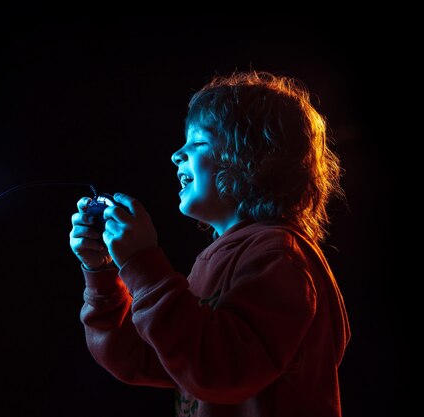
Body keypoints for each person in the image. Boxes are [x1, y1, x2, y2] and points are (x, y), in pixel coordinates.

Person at [69, 71, 350, 417]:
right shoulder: (220, 258)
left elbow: (219, 369)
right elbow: (140, 357)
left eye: (198, 143)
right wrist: (103, 273)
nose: (176, 155)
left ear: (251, 161)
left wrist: (142, 263)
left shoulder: (280, 257)